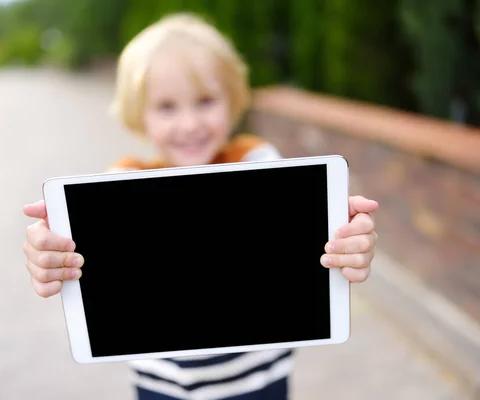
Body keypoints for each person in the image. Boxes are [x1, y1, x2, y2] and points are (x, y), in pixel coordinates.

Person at [22, 12, 379, 400]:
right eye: (167, 107)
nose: (190, 123)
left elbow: (309, 246)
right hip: (162, 383)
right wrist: (50, 256)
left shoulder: (259, 165)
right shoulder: (120, 185)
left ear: (234, 100)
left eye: (206, 101)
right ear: (138, 115)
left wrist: (349, 244)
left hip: (259, 378)